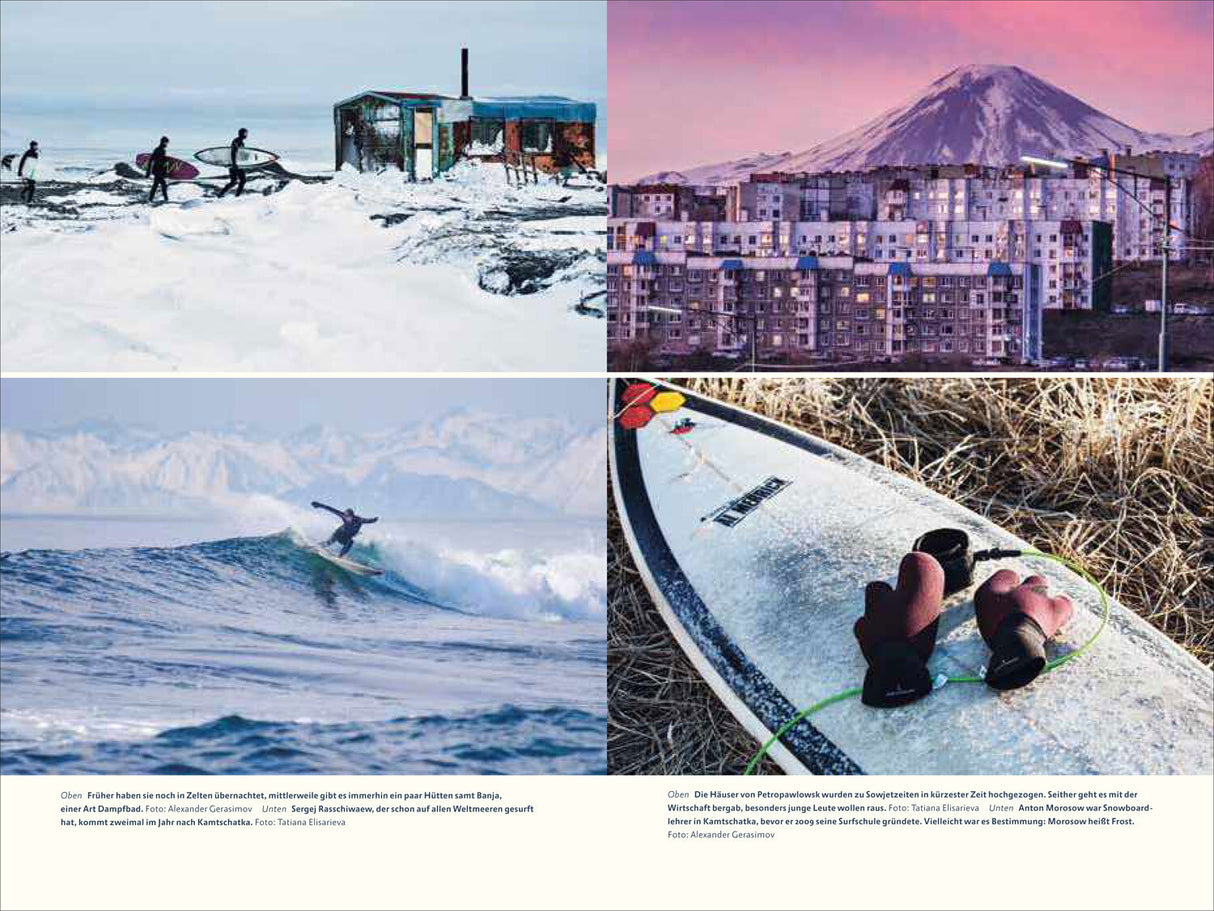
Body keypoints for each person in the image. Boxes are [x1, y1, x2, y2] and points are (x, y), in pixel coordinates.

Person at [311, 501, 378, 557]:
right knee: (328, 543)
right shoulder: (343, 515)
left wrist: (374, 520)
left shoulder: (359, 520)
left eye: (348, 517)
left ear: (352, 516)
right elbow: (331, 509)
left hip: (346, 537)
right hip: (339, 533)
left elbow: (368, 521)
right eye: (345, 516)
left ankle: (340, 556)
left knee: (350, 542)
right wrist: (319, 505)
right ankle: (315, 546)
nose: (346, 518)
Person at [216, 127, 249, 198]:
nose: (246, 135)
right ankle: (237, 196)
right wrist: (234, 163)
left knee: (234, 181)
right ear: (241, 133)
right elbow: (233, 152)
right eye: (245, 133)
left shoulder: (240, 141)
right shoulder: (237, 141)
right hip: (235, 164)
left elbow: (240, 154)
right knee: (243, 180)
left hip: (234, 163)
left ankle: (221, 194)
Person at [145, 136, 171, 203]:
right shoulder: (160, 150)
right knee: (163, 184)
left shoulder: (158, 149)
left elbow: (153, 160)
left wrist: (149, 171)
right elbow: (154, 160)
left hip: (157, 170)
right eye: (166, 143)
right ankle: (166, 199)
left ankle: (151, 199)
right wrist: (148, 171)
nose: (167, 144)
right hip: (158, 171)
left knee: (156, 185)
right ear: (163, 142)